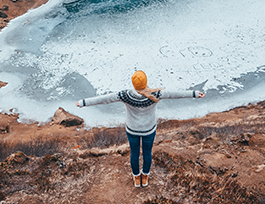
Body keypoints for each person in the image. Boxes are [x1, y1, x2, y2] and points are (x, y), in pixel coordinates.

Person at [75, 70, 205, 188]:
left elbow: (104, 99)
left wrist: (83, 103)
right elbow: (174, 94)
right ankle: (145, 176)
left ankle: (137, 178)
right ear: (145, 82)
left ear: (133, 84)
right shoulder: (155, 94)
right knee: (147, 153)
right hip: (149, 130)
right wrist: (194, 93)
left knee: (134, 153)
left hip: (132, 130)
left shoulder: (125, 95)